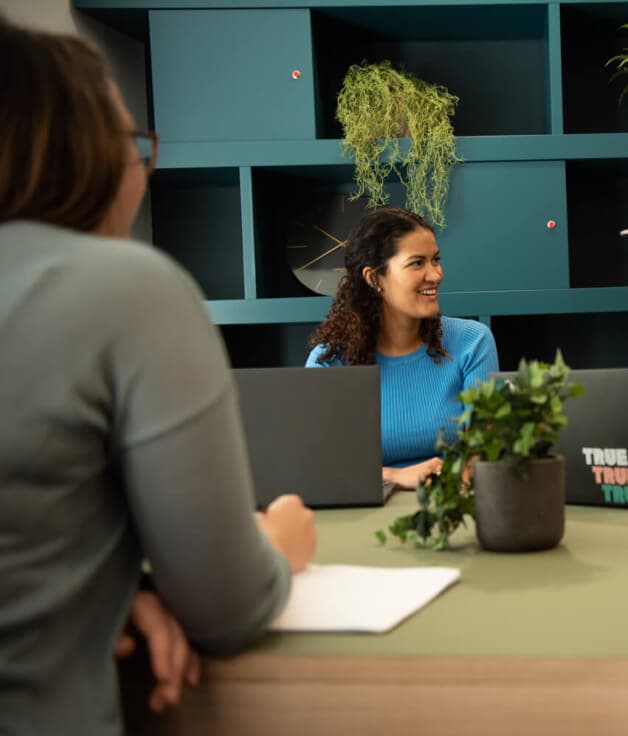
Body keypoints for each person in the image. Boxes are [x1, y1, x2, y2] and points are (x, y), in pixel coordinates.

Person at [0, 18, 317, 734]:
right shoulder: (128, 291)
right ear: (80, 155)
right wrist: (278, 542)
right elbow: (227, 606)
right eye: (134, 144)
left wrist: (114, 586)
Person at [306, 206, 499, 489]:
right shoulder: (328, 361)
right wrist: (395, 476)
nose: (435, 275)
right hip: (365, 515)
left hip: (452, 502)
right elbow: (320, 465)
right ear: (374, 278)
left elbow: (485, 451)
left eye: (436, 260)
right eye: (417, 263)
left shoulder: (473, 342)